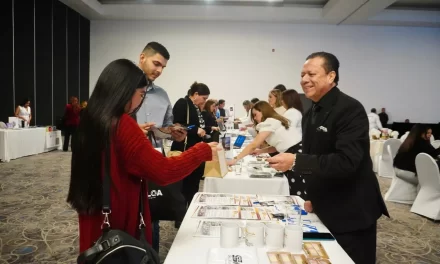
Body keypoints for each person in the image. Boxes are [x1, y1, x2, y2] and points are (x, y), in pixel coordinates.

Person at [66, 59, 219, 254]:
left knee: (97, 254)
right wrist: (201, 151)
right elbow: (163, 171)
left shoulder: (91, 119)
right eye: (140, 94)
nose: (140, 100)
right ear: (125, 92)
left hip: (93, 208)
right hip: (119, 215)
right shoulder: (123, 124)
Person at [267, 52, 389, 264]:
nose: (304, 79)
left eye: (311, 74)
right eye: (302, 74)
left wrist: (296, 161)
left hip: (352, 210)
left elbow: (347, 161)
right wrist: (314, 195)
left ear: (331, 76)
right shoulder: (310, 112)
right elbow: (315, 156)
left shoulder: (350, 109)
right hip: (326, 206)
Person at [135, 42, 186, 252]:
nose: (159, 70)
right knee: (126, 212)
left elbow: (165, 126)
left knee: (151, 210)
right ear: (142, 58)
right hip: (126, 160)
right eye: (156, 63)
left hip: (153, 158)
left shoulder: (163, 95)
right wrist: (133, 130)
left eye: (163, 67)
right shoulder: (121, 89)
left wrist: (173, 132)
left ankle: (151, 255)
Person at [227, 101, 301, 170]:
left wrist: (235, 160)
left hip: (294, 153)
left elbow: (253, 145)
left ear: (263, 111)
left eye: (255, 115)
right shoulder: (274, 120)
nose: (255, 118)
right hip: (294, 152)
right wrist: (260, 151)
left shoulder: (269, 122)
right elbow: (277, 146)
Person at [171, 82, 211, 207]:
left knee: (193, 183)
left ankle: (190, 209)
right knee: (183, 184)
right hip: (184, 149)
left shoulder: (195, 107)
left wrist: (205, 129)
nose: (204, 101)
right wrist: (195, 130)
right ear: (196, 94)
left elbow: (196, 125)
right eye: (204, 98)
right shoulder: (183, 103)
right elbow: (175, 124)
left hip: (194, 150)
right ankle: (180, 215)